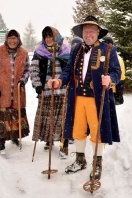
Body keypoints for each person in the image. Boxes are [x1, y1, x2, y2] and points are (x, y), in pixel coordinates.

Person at [48, 15, 121, 180]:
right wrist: (59, 81)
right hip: (78, 98)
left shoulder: (108, 49)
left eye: (92, 31)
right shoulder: (76, 50)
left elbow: (117, 72)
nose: (88, 34)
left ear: (98, 32)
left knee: (98, 131)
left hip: (98, 99)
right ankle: (80, 160)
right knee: (78, 130)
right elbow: (68, 71)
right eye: (85, 31)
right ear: (82, 33)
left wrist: (110, 79)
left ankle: (97, 164)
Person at [30, 26, 70, 157]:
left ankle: (64, 143)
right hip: (46, 91)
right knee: (48, 118)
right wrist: (37, 85)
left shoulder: (65, 52)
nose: (48, 39)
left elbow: (69, 71)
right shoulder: (39, 52)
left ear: (56, 37)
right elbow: (34, 70)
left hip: (62, 90)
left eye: (50, 36)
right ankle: (49, 139)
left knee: (62, 119)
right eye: (46, 36)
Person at [0, 29, 30, 154]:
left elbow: (27, 70)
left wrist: (23, 80)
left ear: (18, 40)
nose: (12, 41)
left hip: (17, 90)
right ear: (7, 39)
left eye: (15, 38)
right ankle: (1, 142)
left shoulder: (24, 53)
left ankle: (15, 136)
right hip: (3, 90)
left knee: (16, 115)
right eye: (10, 38)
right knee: (3, 117)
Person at [102, 36, 126, 105]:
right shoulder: (117, 56)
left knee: (111, 105)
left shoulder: (112, 57)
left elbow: (117, 73)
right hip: (119, 83)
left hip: (115, 84)